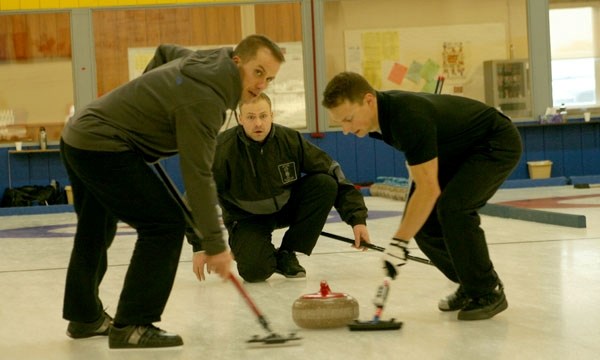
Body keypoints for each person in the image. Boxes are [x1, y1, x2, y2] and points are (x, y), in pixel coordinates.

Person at [60, 34, 285, 349]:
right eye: (257, 72)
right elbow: (198, 176)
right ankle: (133, 324)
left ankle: (84, 317)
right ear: (237, 62)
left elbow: (165, 51)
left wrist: (140, 109)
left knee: (95, 226)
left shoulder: (203, 60)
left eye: (270, 78)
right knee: (164, 224)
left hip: (79, 135)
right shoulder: (205, 101)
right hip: (102, 145)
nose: (262, 84)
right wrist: (216, 245)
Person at [322, 71, 522, 321]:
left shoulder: (405, 116)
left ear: (369, 101)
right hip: (455, 151)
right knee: (424, 225)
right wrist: (406, 232)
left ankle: (487, 291)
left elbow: (428, 189)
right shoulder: (378, 121)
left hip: (493, 142)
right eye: (340, 122)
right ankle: (470, 284)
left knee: (454, 209)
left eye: (349, 119)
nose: (345, 130)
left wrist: (398, 242)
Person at [198, 92, 370, 283]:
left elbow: (333, 172)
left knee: (324, 183)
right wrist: (200, 245)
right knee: (256, 272)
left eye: (263, 116)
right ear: (240, 119)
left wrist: (357, 220)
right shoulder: (223, 149)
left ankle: (288, 252)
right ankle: (253, 248)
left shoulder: (290, 140)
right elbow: (198, 196)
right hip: (246, 218)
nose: (258, 124)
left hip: (284, 207)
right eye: (251, 117)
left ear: (272, 115)